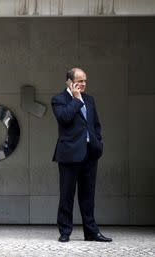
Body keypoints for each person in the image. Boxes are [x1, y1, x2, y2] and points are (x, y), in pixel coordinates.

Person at [51, 68, 112, 243]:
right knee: (67, 195)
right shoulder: (59, 99)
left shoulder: (90, 100)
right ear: (69, 82)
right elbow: (65, 118)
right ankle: (65, 232)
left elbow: (95, 124)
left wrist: (98, 143)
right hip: (69, 154)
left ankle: (91, 232)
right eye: (79, 81)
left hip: (90, 153)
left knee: (88, 196)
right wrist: (76, 100)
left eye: (85, 80)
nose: (83, 84)